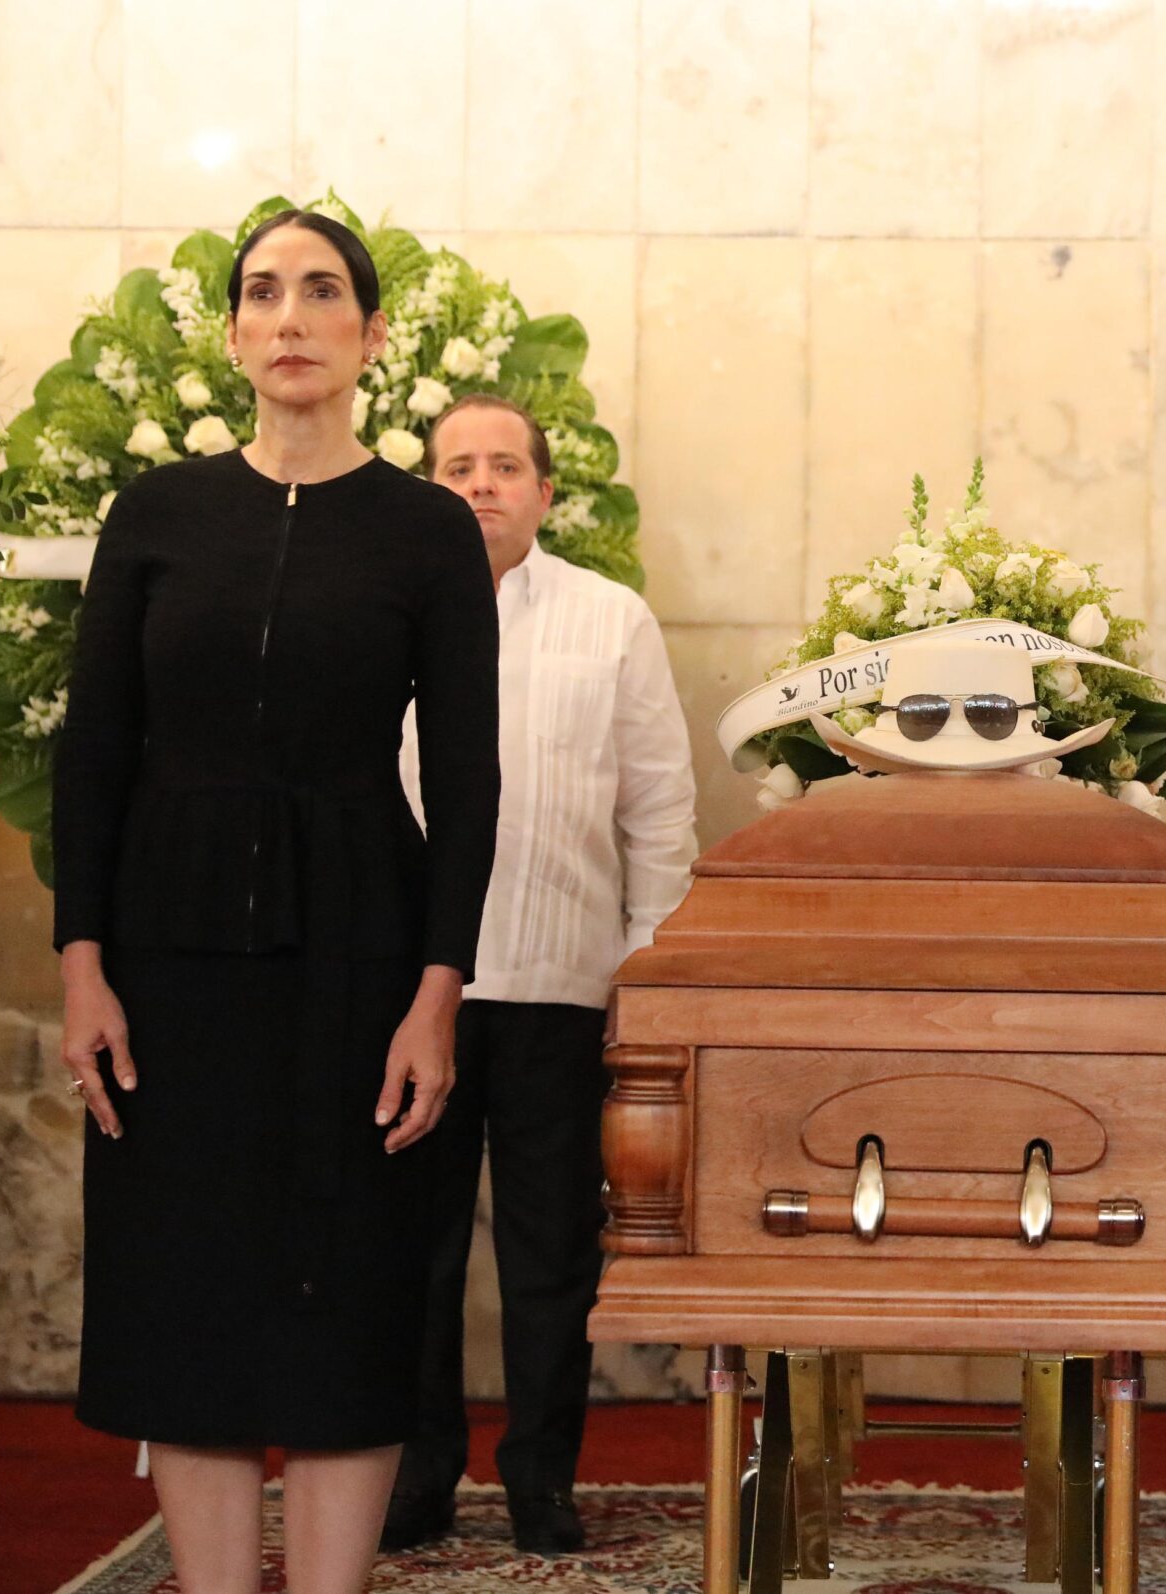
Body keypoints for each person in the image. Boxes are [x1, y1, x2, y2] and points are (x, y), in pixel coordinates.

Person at [55, 209, 500, 1594]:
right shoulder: (159, 513)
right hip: (165, 958)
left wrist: (439, 991)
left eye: (322, 291)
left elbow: (472, 778)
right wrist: (82, 963)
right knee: (181, 1295)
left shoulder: (428, 528)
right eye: (264, 292)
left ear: (371, 336)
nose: (292, 315)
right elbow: (96, 749)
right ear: (235, 335)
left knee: (347, 1299)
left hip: (360, 957)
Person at [381, 395, 697, 1555]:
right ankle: (416, 1474)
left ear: (546, 491)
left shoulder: (610, 620)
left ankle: (540, 1479)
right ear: (427, 483)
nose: (480, 484)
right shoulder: (387, 613)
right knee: (411, 1258)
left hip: (565, 990)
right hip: (413, 999)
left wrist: (641, 972)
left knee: (552, 1257)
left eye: (504, 465)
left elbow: (659, 808)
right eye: (456, 465)